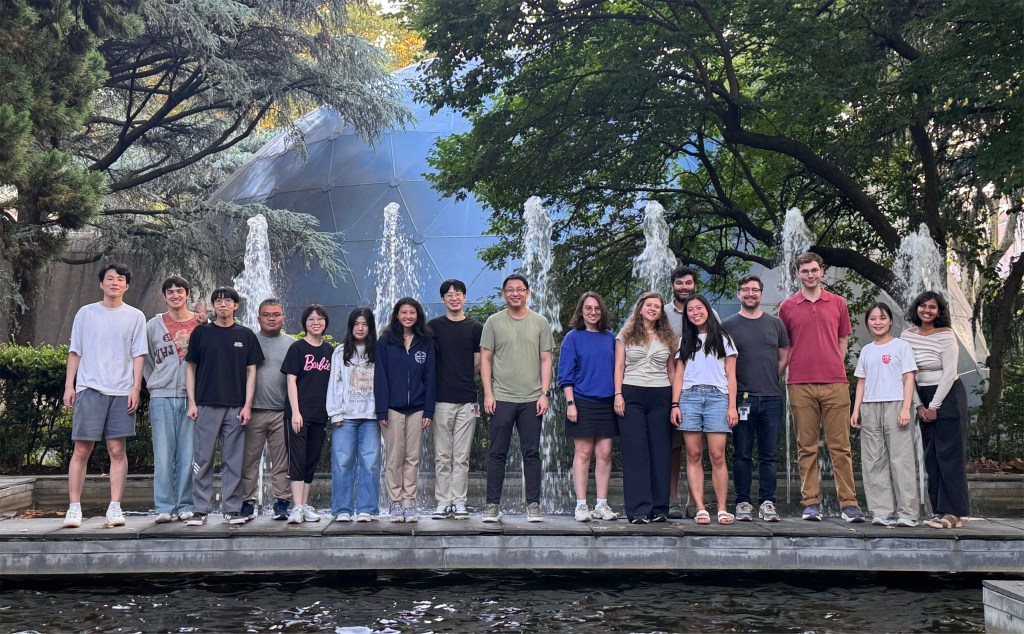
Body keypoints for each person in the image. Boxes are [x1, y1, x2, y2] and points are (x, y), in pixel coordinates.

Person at [778, 252, 864, 522]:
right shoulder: (787, 306)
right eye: (805, 271)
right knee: (807, 447)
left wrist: (835, 364)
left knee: (841, 447)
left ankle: (849, 504)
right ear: (797, 274)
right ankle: (811, 503)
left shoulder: (837, 303)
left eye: (814, 270)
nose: (810, 275)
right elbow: (784, 345)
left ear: (822, 272)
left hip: (835, 383)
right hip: (799, 383)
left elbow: (843, 339)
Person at [62, 262, 148, 528]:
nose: (115, 282)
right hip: (90, 389)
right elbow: (75, 351)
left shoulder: (135, 316)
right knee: (81, 449)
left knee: (117, 450)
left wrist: (135, 388)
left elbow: (138, 355)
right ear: (101, 284)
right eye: (110, 278)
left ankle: (115, 506)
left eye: (120, 279)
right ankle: (74, 507)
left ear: (126, 286)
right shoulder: (86, 313)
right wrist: (69, 386)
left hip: (121, 391)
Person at [184, 286, 264, 526]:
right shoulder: (201, 333)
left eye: (228, 301)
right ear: (213, 306)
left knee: (233, 460)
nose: (223, 304)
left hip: (236, 407)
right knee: (203, 458)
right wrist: (192, 402)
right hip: (206, 404)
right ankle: (200, 509)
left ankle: (231, 509)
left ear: (235, 305)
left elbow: (251, 372)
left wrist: (247, 405)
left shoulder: (246, 335)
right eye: (218, 301)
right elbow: (190, 367)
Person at [480, 274, 554, 523]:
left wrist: (545, 393)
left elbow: (546, 360)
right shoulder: (493, 322)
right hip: (501, 397)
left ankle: (533, 505)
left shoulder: (540, 322)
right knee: (496, 453)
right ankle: (492, 505)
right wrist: (488, 393)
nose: (515, 293)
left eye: (519, 289)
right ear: (503, 294)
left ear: (527, 293)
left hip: (532, 398)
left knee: (531, 453)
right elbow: (486, 359)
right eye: (510, 290)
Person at [722, 274, 790, 522]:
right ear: (738, 294)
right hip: (742, 399)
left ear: (761, 293)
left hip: (771, 397)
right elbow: (723, 361)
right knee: (741, 453)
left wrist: (771, 374)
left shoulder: (775, 324)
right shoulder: (727, 325)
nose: (750, 293)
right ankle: (742, 502)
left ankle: (767, 502)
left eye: (755, 290)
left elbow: (784, 354)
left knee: (769, 455)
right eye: (745, 289)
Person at [901, 291, 970, 529]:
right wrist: (918, 404)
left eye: (932, 307)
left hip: (947, 396)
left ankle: (954, 513)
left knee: (949, 454)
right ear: (916, 308)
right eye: (923, 305)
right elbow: (907, 373)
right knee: (931, 456)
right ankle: (939, 510)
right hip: (922, 396)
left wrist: (934, 406)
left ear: (939, 311)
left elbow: (949, 372)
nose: (927, 310)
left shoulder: (946, 335)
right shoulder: (906, 336)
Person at [671, 295, 738, 525]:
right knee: (693, 454)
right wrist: (675, 404)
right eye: (690, 310)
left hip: (717, 398)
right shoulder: (684, 341)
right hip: (689, 398)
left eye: (699, 308)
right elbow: (678, 376)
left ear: (707, 310)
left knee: (717, 455)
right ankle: (700, 508)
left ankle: (722, 508)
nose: (695, 313)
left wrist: (732, 406)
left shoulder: (723, 339)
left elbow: (731, 376)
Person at [852, 302, 919, 527]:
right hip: (870, 407)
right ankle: (881, 511)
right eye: (872, 319)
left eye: (882, 318)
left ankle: (907, 513)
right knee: (873, 461)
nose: (877, 322)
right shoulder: (867, 350)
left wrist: (906, 408)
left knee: (901, 460)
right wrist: (856, 409)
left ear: (890, 321)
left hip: (896, 404)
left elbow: (909, 378)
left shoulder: (901, 346)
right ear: (867, 323)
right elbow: (861, 382)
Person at [144, 275, 205, 524]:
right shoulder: (153, 325)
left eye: (180, 291)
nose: (175, 295)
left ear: (187, 294)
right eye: (170, 292)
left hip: (192, 399)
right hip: (161, 396)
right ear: (164, 296)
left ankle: (185, 504)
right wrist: (155, 382)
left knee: (188, 455)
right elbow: (146, 358)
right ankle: (164, 506)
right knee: (162, 455)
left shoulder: (200, 323)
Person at [615, 292, 677, 524]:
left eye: (657, 306)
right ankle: (638, 510)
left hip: (661, 395)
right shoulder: (625, 335)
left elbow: (671, 370)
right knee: (635, 452)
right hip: (631, 394)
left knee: (661, 452)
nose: (653, 309)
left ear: (661, 312)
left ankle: (660, 509)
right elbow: (619, 367)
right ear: (640, 308)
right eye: (649, 305)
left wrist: (675, 402)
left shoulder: (668, 337)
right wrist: (618, 395)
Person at [558, 291, 619, 522]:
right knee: (583, 453)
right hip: (582, 401)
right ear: (581, 311)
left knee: (605, 453)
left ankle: (601, 505)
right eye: (588, 308)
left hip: (607, 402)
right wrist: (570, 403)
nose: (593, 312)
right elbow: (565, 375)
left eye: (597, 308)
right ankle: (581, 505)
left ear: (601, 311)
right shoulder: (572, 338)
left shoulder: (610, 337)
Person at [375, 297, 436, 523]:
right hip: (392, 409)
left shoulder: (425, 341)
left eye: (412, 312)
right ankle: (395, 502)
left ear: (417, 315)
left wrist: (428, 411)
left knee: (412, 457)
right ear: (397, 315)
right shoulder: (385, 341)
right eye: (404, 312)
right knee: (394, 457)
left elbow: (431, 378)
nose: (408, 316)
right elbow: (380, 378)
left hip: (418, 409)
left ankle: (409, 503)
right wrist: (381, 410)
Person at [427, 279, 483, 520]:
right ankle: (443, 502)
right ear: (442, 299)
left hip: (468, 400)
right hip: (440, 400)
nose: (454, 298)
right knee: (442, 455)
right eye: (448, 294)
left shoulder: (475, 328)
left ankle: (459, 501)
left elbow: (479, 363)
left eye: (458, 293)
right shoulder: (433, 328)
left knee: (461, 456)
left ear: (464, 297)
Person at [663, 266, 716, 518]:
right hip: (668, 389)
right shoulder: (662, 313)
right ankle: (672, 500)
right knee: (673, 448)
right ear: (673, 285)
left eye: (688, 283)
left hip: (700, 392)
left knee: (697, 449)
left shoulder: (708, 312)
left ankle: (694, 501)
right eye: (679, 283)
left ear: (695, 285)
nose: (684, 287)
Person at [327, 307, 380, 523]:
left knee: (370, 462)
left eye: (364, 324)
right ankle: (342, 509)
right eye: (356, 324)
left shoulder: (378, 350)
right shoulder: (341, 352)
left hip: (372, 417)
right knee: (342, 461)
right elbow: (334, 382)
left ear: (370, 327)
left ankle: (368, 508)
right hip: (345, 417)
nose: (360, 328)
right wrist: (335, 413)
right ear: (350, 327)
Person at [242, 299, 293, 521]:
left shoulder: (292, 344)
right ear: (258, 318)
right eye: (266, 314)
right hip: (253, 411)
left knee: (281, 461)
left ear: (283, 318)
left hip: (281, 412)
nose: (271, 318)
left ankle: (282, 502)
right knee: (249, 460)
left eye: (275, 314)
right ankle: (246, 502)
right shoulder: (248, 341)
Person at [282, 304, 334, 524]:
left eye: (320, 319)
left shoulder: (329, 351)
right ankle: (296, 507)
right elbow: (290, 380)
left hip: (319, 415)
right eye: (311, 319)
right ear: (304, 323)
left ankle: (303, 506)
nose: (316, 322)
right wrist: (296, 412)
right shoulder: (297, 348)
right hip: (298, 415)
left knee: (311, 461)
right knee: (297, 460)